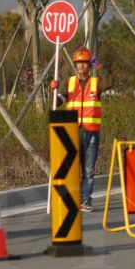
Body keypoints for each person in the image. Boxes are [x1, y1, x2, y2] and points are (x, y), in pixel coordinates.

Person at [50, 47, 113, 212]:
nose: (81, 66)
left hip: (92, 132)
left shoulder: (96, 82)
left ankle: (86, 201)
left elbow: (109, 82)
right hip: (73, 132)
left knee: (89, 171)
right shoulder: (69, 83)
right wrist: (54, 91)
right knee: (73, 169)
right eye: (79, 63)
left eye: (85, 63)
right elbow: (57, 103)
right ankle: (72, 200)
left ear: (89, 64)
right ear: (75, 65)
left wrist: (100, 67)